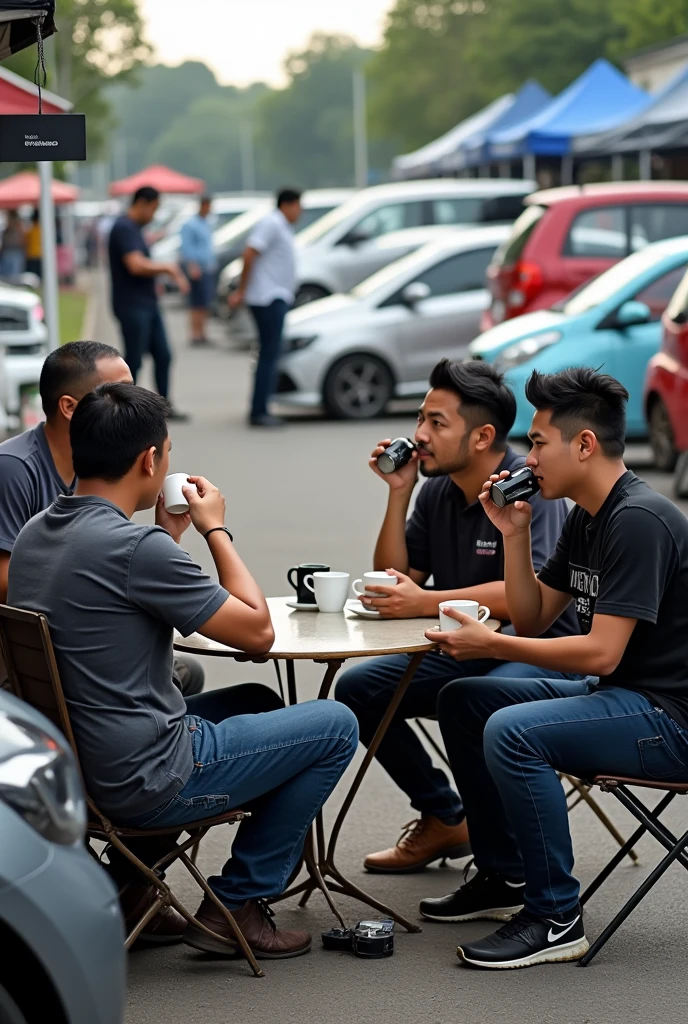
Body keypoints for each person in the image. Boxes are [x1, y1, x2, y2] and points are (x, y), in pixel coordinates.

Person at [8, 382, 358, 959]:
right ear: (151, 460)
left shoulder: (38, 530)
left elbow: (117, 597)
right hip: (144, 778)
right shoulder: (135, 548)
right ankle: (239, 906)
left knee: (258, 702)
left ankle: (129, 887)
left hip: (79, 765)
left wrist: (167, 539)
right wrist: (215, 527)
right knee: (335, 723)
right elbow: (257, 632)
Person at [422, 367, 688, 970]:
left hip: (671, 721)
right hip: (625, 696)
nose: (529, 457)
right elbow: (537, 617)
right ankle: (505, 876)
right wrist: (514, 535)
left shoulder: (639, 520)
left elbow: (599, 652)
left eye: (539, 442)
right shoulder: (585, 515)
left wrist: (493, 642)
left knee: (512, 731)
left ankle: (554, 916)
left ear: (585, 444)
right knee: (465, 701)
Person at [334, 359, 580, 873]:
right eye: (421, 419)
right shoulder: (435, 490)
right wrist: (398, 494)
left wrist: (427, 602)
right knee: (358, 690)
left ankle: (508, 867)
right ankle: (445, 816)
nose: (419, 435)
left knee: (469, 700)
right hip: (464, 649)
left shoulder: (526, 490)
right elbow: (396, 576)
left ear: (482, 436)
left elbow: (527, 597)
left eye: (436, 423)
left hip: (539, 652)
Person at [0, 341, 204, 699]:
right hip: (31, 663)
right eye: (116, 390)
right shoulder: (15, 469)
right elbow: (10, 583)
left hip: (83, 646)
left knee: (184, 674)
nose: (128, 399)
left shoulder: (98, 467)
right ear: (69, 407)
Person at [108, 186, 189, 421]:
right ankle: (121, 411)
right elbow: (135, 264)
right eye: (153, 209)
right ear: (142, 203)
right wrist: (168, 268)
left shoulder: (134, 229)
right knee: (133, 360)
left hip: (147, 303)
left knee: (163, 355)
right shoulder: (124, 227)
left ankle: (163, 407)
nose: (154, 215)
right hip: (132, 304)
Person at [229, 188, 302, 427]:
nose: (299, 212)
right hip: (268, 297)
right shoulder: (272, 223)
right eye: (298, 206)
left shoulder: (280, 225)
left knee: (270, 353)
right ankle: (259, 410)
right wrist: (242, 289)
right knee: (269, 354)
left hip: (273, 295)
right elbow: (249, 254)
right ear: (288, 205)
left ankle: (261, 407)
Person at [180, 195, 216, 347]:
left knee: (204, 302)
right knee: (196, 303)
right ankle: (195, 334)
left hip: (207, 267)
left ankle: (202, 333)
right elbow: (187, 248)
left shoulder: (206, 223)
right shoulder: (190, 225)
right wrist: (192, 266)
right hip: (197, 268)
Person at [0, 209, 26, 279]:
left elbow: (22, 240)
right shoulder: (7, 228)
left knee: (14, 274)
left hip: (15, 250)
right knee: (7, 274)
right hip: (9, 250)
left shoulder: (18, 226)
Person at [25, 209, 41, 278]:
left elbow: (25, 241)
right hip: (39, 254)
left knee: (32, 275)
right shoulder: (43, 229)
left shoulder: (30, 229)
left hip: (31, 254)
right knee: (39, 275)